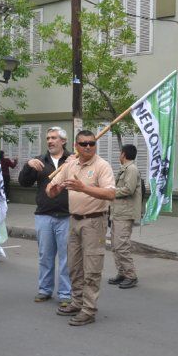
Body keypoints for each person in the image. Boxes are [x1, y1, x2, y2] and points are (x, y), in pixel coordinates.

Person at [46, 130, 115, 326]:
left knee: (92, 267)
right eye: (83, 143)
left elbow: (110, 194)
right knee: (74, 266)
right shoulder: (70, 164)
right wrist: (54, 189)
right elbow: (51, 190)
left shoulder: (102, 166)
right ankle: (77, 302)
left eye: (91, 143)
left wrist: (83, 187)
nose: (88, 147)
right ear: (76, 145)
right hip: (74, 220)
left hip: (94, 221)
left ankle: (89, 309)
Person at [18, 127, 72, 306]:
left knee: (66, 258)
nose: (50, 141)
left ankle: (65, 293)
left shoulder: (72, 160)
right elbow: (23, 183)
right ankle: (45, 290)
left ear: (63, 141)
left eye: (54, 138)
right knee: (45, 256)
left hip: (66, 216)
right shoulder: (40, 161)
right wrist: (28, 166)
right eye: (48, 138)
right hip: (44, 216)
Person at [108, 144, 142, 289]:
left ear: (123, 154)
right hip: (118, 213)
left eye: (119, 153)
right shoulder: (125, 169)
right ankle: (121, 273)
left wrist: (111, 191)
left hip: (125, 213)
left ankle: (131, 275)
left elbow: (129, 189)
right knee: (115, 246)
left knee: (121, 246)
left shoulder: (132, 169)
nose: (119, 155)